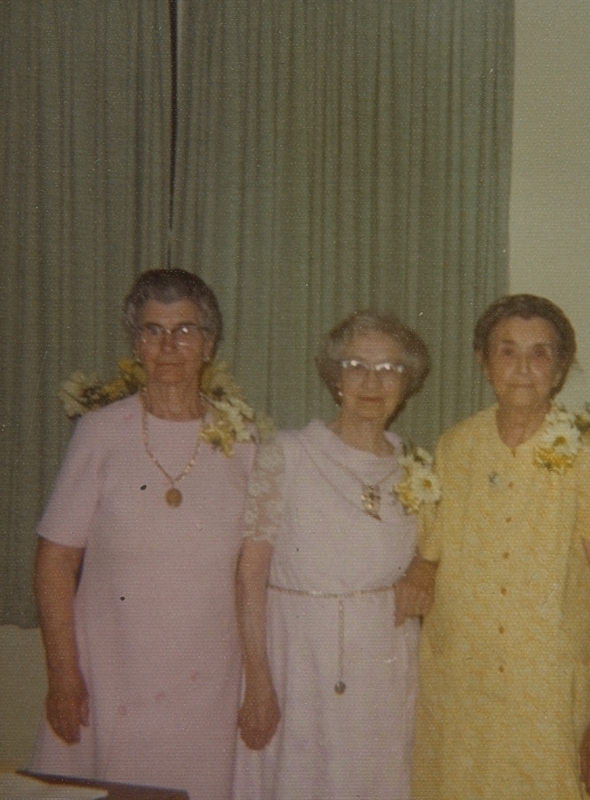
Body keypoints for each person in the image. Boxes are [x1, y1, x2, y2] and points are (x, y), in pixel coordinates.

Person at [30, 269, 258, 800]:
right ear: (136, 344)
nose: (169, 346)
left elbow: (254, 573)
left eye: (184, 330)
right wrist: (63, 676)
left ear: (209, 343)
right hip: (114, 670)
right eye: (153, 331)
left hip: (208, 679)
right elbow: (53, 563)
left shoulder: (242, 441)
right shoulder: (100, 432)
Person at [411, 294, 590, 799]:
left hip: (550, 706)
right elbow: (426, 556)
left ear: (559, 369)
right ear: (483, 360)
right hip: (462, 702)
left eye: (540, 353)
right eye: (507, 350)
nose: (522, 368)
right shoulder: (454, 448)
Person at [234, 310, 437, 800]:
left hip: (384, 664)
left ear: (406, 382)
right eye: (356, 366)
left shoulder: (418, 466)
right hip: (298, 656)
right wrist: (257, 680)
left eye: (389, 369)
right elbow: (249, 573)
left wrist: (420, 567)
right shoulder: (286, 452)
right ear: (334, 376)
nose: (372, 382)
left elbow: (433, 555)